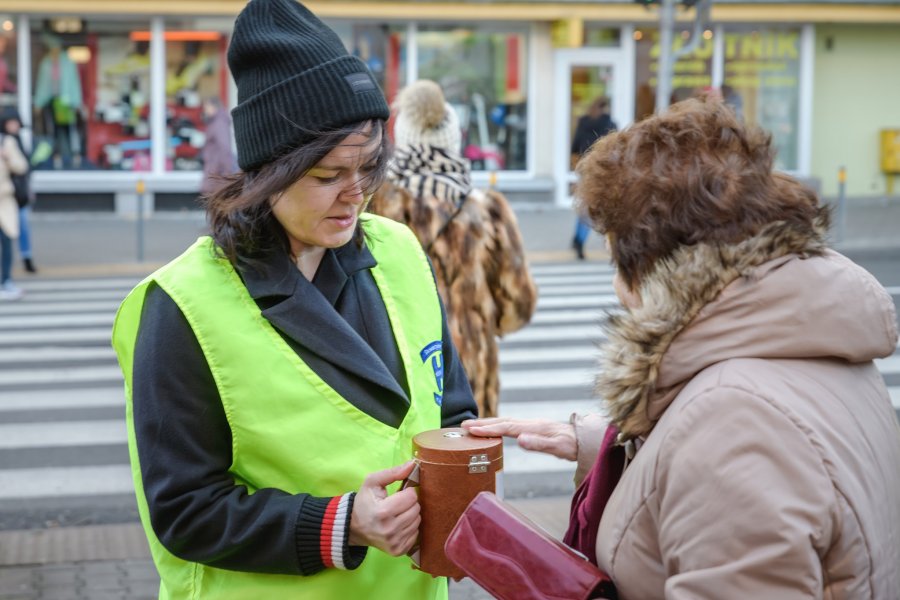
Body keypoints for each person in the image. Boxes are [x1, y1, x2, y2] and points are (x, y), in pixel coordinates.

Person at [111, 1, 477, 598]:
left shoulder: (400, 251)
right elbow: (183, 510)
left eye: (367, 168)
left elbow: (450, 411)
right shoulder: (182, 304)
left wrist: (469, 470)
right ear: (267, 172)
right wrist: (341, 524)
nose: (354, 195)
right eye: (327, 175)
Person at [464, 96, 900, 598]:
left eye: (615, 259)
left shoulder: (734, 422)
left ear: (652, 262)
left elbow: (738, 454)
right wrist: (604, 447)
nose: (614, 287)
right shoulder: (814, 345)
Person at [369, 79, 537, 419]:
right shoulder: (488, 210)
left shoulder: (372, 208)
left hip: (391, 379)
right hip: (468, 384)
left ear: (402, 139)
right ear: (452, 141)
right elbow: (517, 306)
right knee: (469, 468)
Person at [569, 96, 616, 260]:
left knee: (586, 206)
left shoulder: (583, 122)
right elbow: (613, 149)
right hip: (601, 170)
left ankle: (578, 238)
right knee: (598, 208)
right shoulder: (609, 124)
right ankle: (584, 241)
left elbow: (574, 146)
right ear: (606, 108)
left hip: (584, 167)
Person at [1, 109, 37, 273]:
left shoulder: (14, 141)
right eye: (11, 123)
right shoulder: (5, 140)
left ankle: (26, 258)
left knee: (21, 226)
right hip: (6, 195)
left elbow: (23, 166)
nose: (14, 126)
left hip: (16, 194)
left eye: (16, 123)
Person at [0, 109, 27, 300]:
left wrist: (7, 156)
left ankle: (5, 281)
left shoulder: (6, 142)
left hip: (4, 200)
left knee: (6, 242)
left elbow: (22, 166)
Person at [199, 96, 237, 197]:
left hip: (217, 173)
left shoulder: (219, 123)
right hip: (216, 171)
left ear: (213, 107)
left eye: (206, 107)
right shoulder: (216, 122)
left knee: (217, 204)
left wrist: (227, 172)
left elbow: (225, 148)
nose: (205, 110)